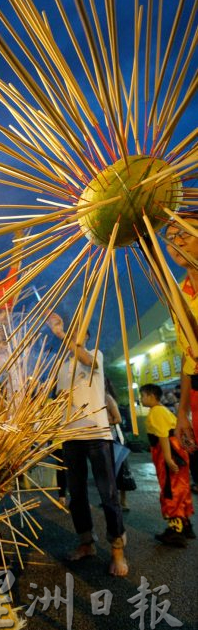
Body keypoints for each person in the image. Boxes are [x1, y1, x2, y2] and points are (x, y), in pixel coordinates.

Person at [47, 312, 128, 577]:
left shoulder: (95, 355)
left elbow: (89, 362)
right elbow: (59, 399)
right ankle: (86, 543)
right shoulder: (61, 366)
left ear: (87, 337)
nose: (72, 338)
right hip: (71, 437)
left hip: (97, 434)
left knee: (108, 495)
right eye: (70, 334)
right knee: (77, 495)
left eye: (76, 335)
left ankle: (117, 550)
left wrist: (61, 335)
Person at [140, 383, 194, 546]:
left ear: (151, 395)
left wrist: (169, 459)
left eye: (142, 395)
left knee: (172, 490)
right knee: (181, 488)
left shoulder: (157, 411)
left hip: (168, 452)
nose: (141, 399)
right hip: (176, 450)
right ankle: (185, 525)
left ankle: (175, 530)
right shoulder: (162, 410)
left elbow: (163, 435)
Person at [164, 213, 198, 452]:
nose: (178, 241)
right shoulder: (179, 296)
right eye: (171, 237)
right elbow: (188, 357)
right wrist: (183, 411)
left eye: (185, 232)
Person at [105, 377, 136, 511]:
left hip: (115, 439)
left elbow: (117, 419)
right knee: (110, 471)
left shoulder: (108, 398)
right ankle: (113, 499)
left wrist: (103, 421)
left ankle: (123, 501)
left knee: (120, 470)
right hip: (105, 439)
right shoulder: (98, 399)